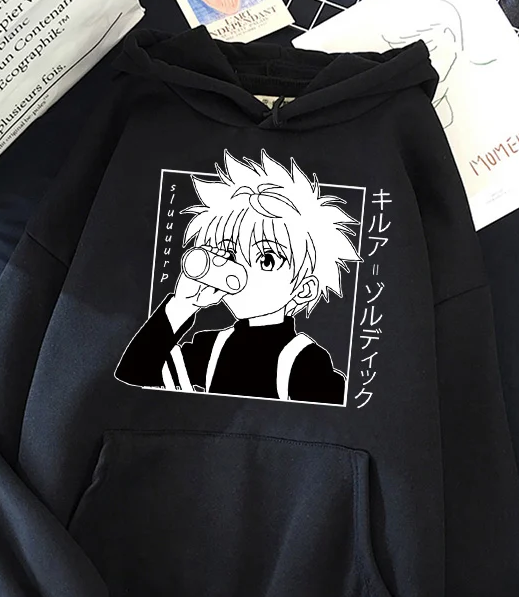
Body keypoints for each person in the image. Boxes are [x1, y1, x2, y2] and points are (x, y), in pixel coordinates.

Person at [115, 150, 361, 405]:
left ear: (304, 288)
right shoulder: (210, 348)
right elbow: (133, 374)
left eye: (267, 260)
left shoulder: (305, 362)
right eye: (230, 254)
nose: (241, 269)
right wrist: (182, 305)